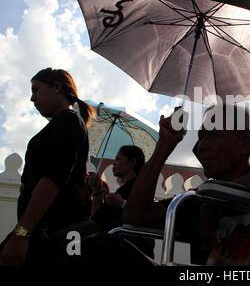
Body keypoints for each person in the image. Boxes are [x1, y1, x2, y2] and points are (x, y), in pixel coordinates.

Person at [123, 104, 250, 266]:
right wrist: (164, 144)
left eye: (213, 134)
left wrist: (219, 197)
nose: (202, 146)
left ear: (243, 143)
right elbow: (136, 215)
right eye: (201, 137)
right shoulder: (198, 200)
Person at [0, 68, 95, 267]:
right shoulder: (64, 124)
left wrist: (22, 233)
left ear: (57, 87)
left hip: (49, 232)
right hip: (42, 230)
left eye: (36, 90)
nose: (32, 99)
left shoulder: (68, 121)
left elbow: (54, 178)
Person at [89, 145, 145, 231]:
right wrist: (97, 190)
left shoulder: (133, 190)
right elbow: (97, 217)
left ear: (132, 162)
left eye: (118, 159)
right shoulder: (131, 188)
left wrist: (122, 204)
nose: (114, 164)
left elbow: (97, 220)